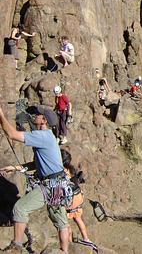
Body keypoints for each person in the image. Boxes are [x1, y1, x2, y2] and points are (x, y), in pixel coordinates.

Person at [0, 105, 70, 253]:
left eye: (37, 115)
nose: (34, 117)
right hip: (59, 185)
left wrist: (1, 115)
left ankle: (17, 246)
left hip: (49, 185)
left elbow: (11, 134)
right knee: (61, 222)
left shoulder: (42, 136)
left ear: (44, 120)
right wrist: (15, 167)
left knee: (20, 208)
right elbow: (37, 163)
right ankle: (65, 251)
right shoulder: (49, 136)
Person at [60, 150, 97, 251]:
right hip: (78, 195)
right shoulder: (71, 169)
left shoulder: (61, 170)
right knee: (78, 218)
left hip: (69, 199)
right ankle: (86, 238)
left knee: (65, 222)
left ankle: (70, 241)